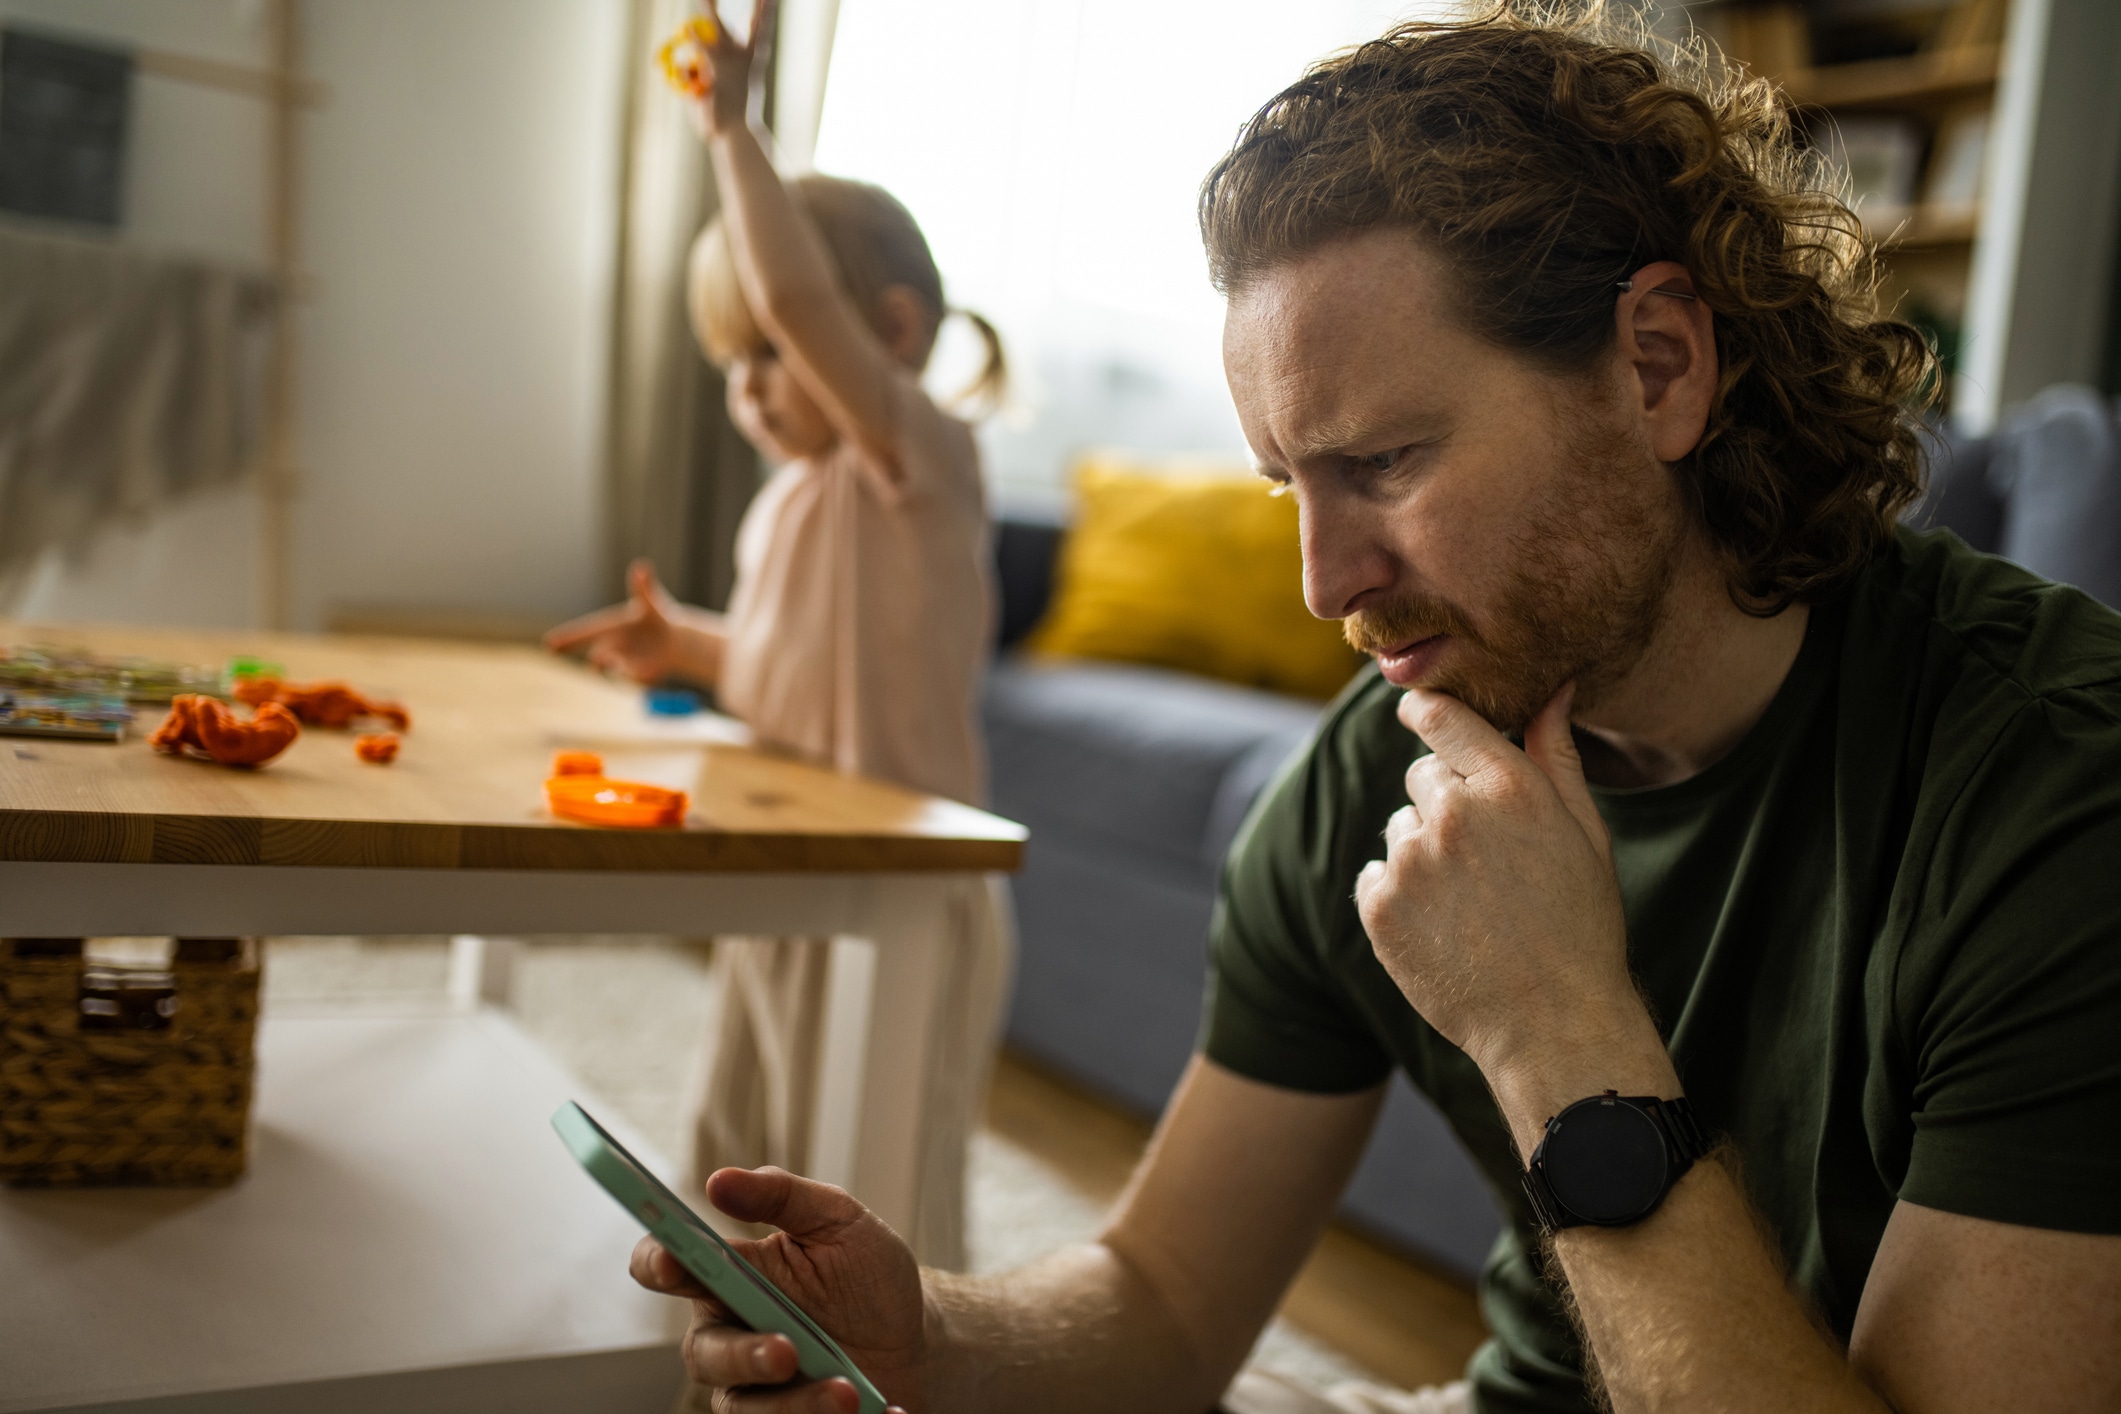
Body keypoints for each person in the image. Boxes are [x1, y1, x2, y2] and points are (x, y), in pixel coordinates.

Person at [626, 9, 2121, 1414]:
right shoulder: (1375, 774)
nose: (1327, 583)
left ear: (1658, 368)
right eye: (1292, 485)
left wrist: (1558, 1032)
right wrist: (928, 1334)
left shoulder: (2053, 791)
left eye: (1388, 459)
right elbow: (1161, 1295)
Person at [547, 0, 1009, 1278]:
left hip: (905, 890)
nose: (749, 383)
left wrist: (732, 130)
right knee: (745, 1154)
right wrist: (684, 645)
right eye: (731, 361)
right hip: (788, 871)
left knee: (880, 1192)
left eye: (770, 351)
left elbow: (804, 299)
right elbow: (783, 665)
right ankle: (740, 1339)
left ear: (894, 335)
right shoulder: (791, 504)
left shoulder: (915, 457)